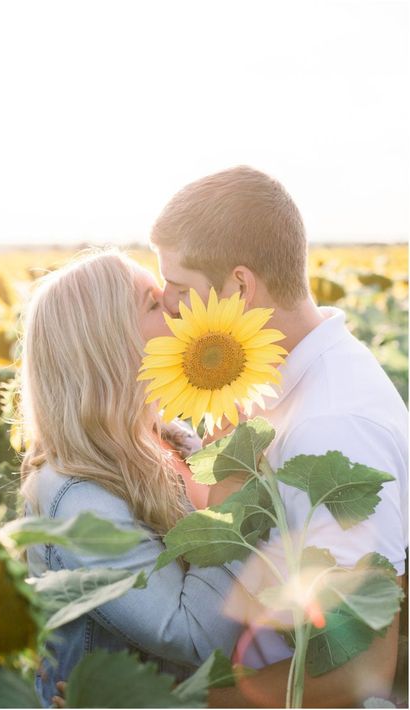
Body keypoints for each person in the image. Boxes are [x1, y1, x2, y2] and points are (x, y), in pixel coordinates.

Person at [148, 165, 408, 706]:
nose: (170, 306)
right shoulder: (277, 383)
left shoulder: (332, 425)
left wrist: (177, 704)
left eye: (180, 288)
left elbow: (356, 668)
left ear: (239, 285)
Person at [20, 250, 244, 708]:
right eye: (152, 303)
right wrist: (235, 478)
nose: (179, 308)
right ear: (108, 343)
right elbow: (194, 636)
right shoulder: (75, 498)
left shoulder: (171, 438)